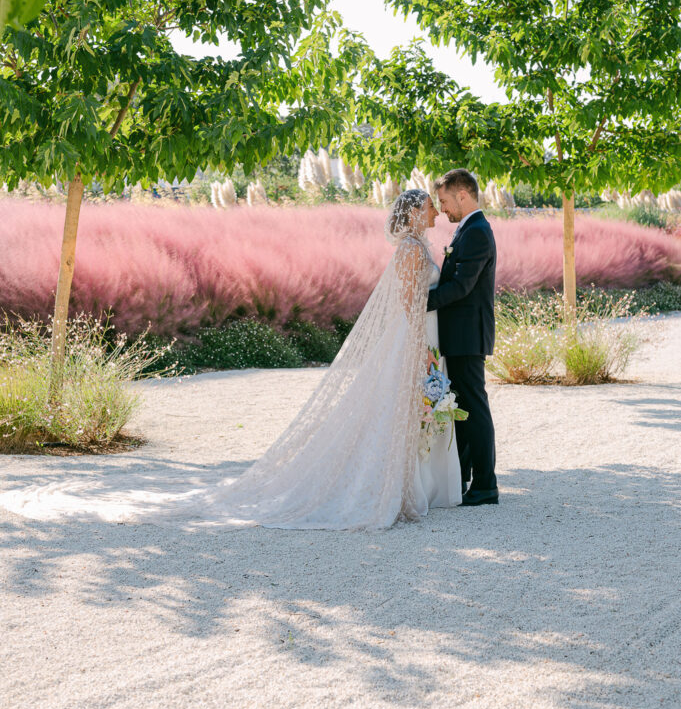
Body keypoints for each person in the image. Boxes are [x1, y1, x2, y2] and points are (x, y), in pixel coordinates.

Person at [0, 189, 464, 527]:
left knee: (395, 413)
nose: (433, 210)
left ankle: (401, 485)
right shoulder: (409, 251)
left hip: (417, 337)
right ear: (413, 214)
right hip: (410, 337)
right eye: (427, 205)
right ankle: (382, 490)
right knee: (390, 411)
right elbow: (408, 304)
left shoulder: (419, 247)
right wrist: (420, 349)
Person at [427, 169, 498, 506]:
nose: (442, 209)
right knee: (464, 409)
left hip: (469, 335)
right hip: (461, 335)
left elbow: (462, 287)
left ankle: (486, 484)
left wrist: (421, 303)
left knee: (474, 408)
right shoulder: (467, 230)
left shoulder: (477, 232)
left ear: (463, 195)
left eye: (444, 201)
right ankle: (466, 477)